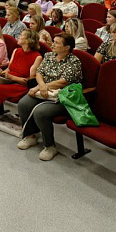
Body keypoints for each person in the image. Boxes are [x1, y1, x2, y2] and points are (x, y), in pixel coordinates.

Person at [16, 33, 83, 161]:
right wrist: (41, 86)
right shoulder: (49, 56)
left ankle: (50, 146)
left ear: (67, 47)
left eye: (57, 43)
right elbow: (39, 72)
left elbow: (63, 82)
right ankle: (30, 136)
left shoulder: (74, 61)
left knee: (40, 112)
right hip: (43, 90)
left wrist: (42, 87)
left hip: (63, 96)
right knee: (23, 104)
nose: (53, 44)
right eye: (54, 41)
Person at [0, 30, 43, 130]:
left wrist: (12, 77)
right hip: (8, 80)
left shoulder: (37, 57)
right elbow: (9, 68)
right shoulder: (16, 51)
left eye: (21, 35)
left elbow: (29, 80)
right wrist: (3, 72)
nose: (18, 37)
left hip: (20, 85)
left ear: (28, 40)